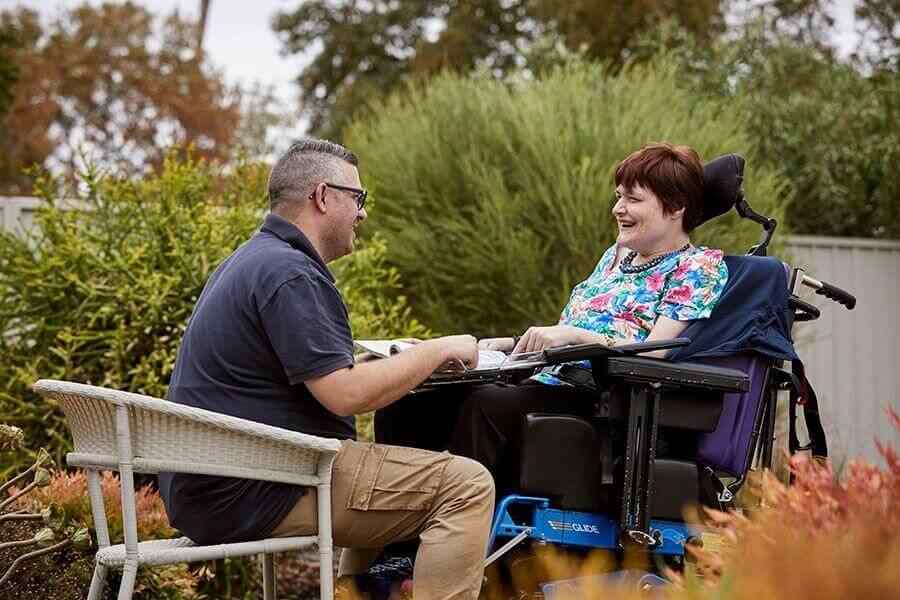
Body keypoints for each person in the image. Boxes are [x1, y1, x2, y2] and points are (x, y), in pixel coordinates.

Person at [157, 138, 494, 600]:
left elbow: (315, 377)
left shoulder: (253, 260)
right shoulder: (290, 273)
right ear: (322, 196)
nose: (363, 213)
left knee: (385, 475)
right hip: (260, 487)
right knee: (467, 485)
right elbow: (345, 395)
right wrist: (437, 350)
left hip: (219, 485)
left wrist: (395, 361)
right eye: (357, 198)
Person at [375, 142, 729, 496]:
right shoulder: (617, 254)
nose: (618, 209)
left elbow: (654, 351)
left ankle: (459, 519)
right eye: (618, 196)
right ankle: (393, 519)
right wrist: (510, 344)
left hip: (603, 398)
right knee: (408, 403)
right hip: (547, 378)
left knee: (487, 405)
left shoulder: (697, 267)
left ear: (676, 207)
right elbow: (580, 327)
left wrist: (574, 336)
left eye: (633, 199)